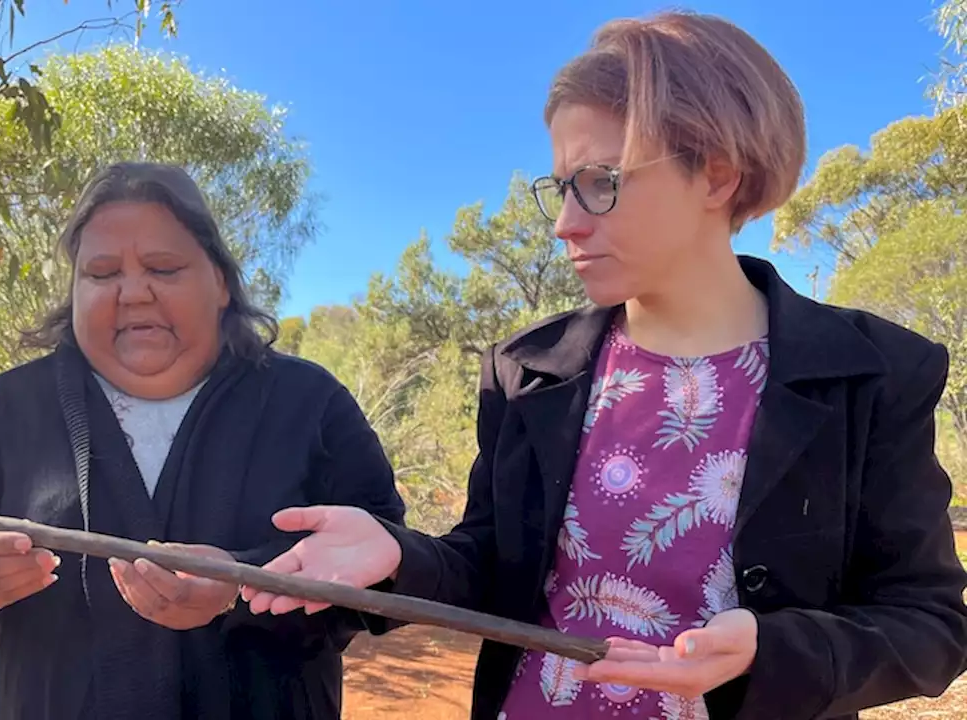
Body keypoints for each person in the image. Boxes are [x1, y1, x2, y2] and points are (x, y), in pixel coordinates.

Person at [243, 11, 967, 720]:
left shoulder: (871, 376)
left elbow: (929, 625)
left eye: (600, 181)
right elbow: (492, 564)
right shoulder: (527, 374)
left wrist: (771, 649)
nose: (565, 222)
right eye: (561, 187)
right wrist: (394, 553)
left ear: (716, 175)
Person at [0, 162, 406, 720]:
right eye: (101, 274)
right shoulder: (9, 408)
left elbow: (388, 576)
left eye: (165, 267)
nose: (133, 293)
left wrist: (242, 584)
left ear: (220, 282)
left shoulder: (308, 402)